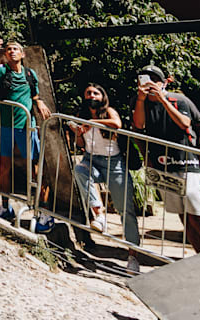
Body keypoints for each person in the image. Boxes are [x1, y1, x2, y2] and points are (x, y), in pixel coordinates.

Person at [131, 64, 200, 252]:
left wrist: (162, 99)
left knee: (197, 213)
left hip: (185, 162)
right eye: (144, 79)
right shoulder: (138, 101)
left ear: (163, 82)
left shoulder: (179, 99)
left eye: (155, 79)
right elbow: (138, 125)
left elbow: (185, 123)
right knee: (183, 215)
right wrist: (141, 100)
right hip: (161, 165)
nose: (150, 83)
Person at [0, 35, 52, 230]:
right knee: (3, 166)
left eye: (15, 49)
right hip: (4, 125)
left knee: (36, 168)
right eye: (8, 50)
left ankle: (43, 212)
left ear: (22, 54)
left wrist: (38, 101)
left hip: (26, 126)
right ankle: (5, 206)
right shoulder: (2, 71)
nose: (11, 51)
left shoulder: (30, 74)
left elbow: (35, 94)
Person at [69, 83, 140, 270]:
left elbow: (117, 124)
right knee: (80, 171)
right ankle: (99, 214)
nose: (91, 96)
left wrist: (92, 123)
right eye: (88, 93)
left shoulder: (108, 111)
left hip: (113, 162)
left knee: (125, 210)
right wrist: (78, 132)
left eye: (95, 93)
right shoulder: (81, 116)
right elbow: (79, 142)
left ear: (102, 96)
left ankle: (133, 256)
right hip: (91, 159)